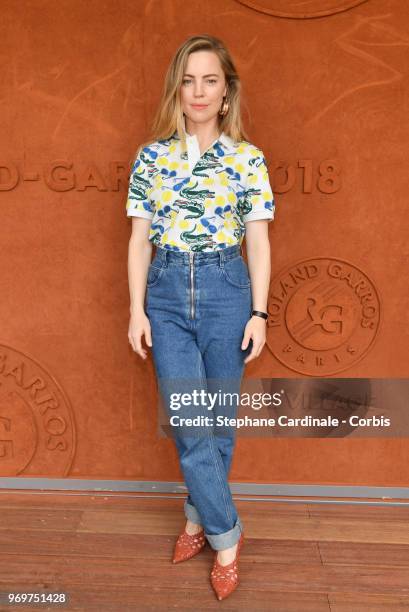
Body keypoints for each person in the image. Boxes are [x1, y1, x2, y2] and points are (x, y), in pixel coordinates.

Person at [126, 34, 275, 601]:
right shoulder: (152, 156)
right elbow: (138, 240)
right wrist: (136, 308)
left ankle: (195, 519)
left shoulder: (247, 158)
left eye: (210, 79)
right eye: (188, 80)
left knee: (219, 424)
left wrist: (259, 312)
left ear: (227, 89)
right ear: (176, 88)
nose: (198, 91)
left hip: (226, 290)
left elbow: (258, 243)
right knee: (190, 422)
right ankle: (227, 539)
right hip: (165, 291)